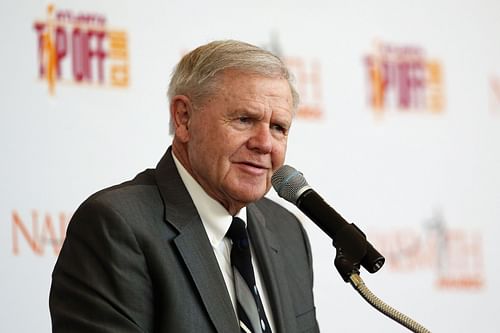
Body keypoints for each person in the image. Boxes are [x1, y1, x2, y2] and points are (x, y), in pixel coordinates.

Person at [49, 40, 319, 333]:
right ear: (184, 118)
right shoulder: (116, 226)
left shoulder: (288, 231)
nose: (264, 143)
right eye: (244, 119)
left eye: (278, 127)